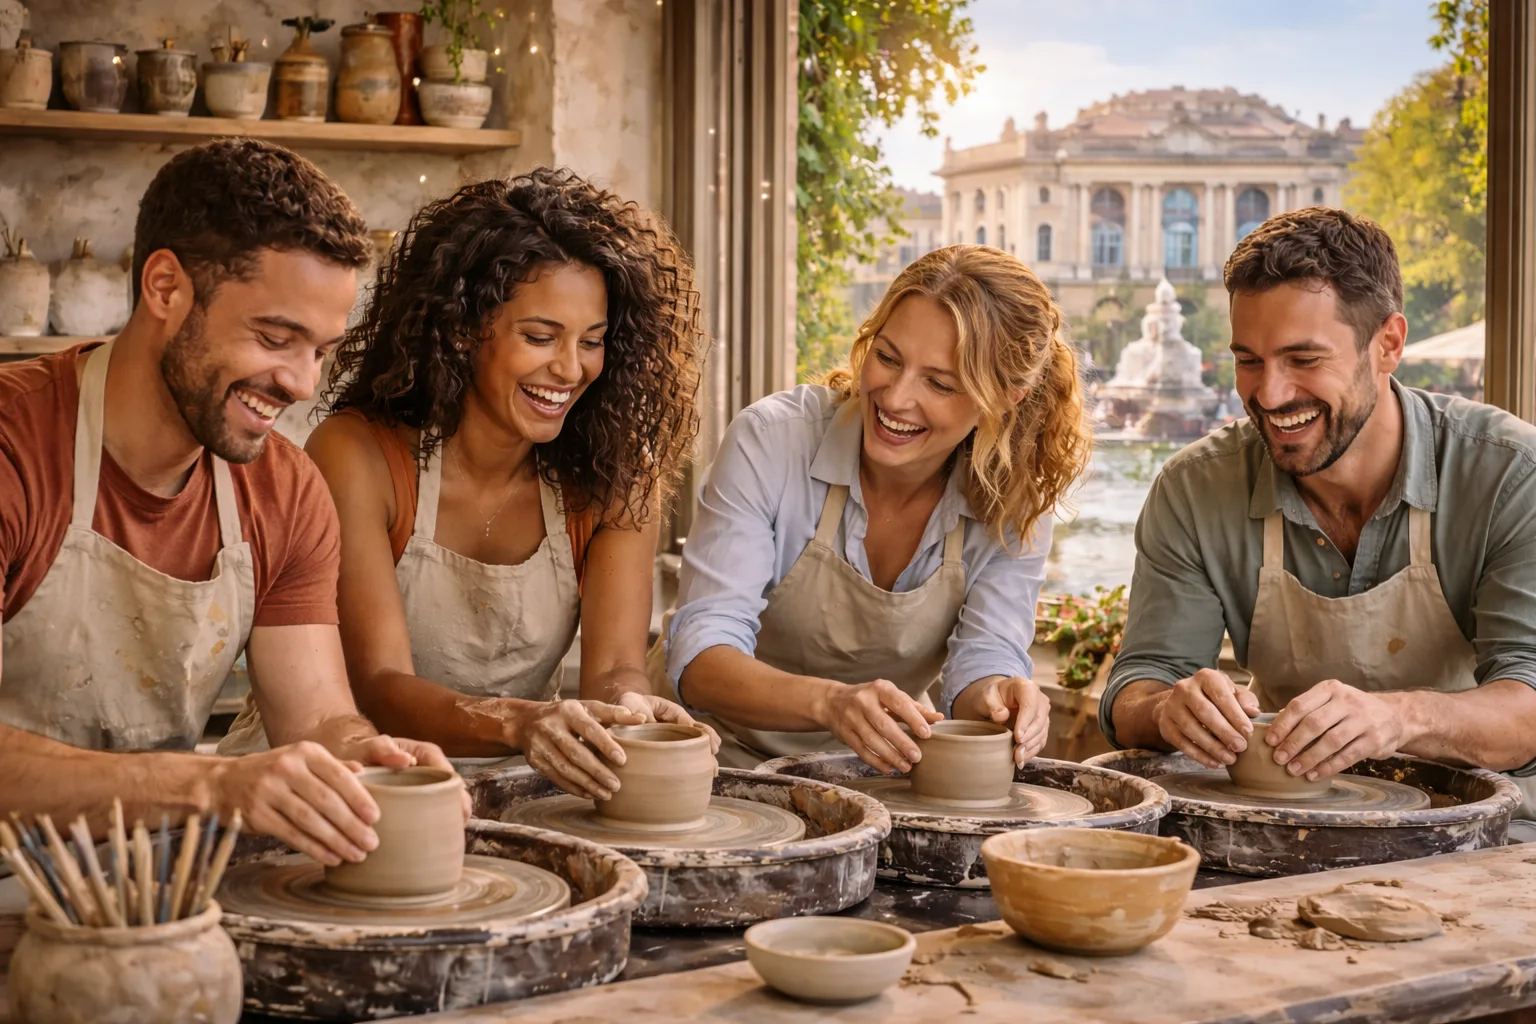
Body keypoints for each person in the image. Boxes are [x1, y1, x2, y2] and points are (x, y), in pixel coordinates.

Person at [0, 138, 458, 865]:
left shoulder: (284, 489)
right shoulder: (14, 447)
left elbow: (316, 718)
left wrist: (367, 758)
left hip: (141, 885)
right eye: (277, 338)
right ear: (165, 288)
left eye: (321, 350)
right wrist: (210, 785)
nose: (304, 383)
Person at [221, 169, 711, 801]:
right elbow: (378, 684)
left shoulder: (613, 473)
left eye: (593, 342)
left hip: (507, 788)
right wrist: (519, 720)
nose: (570, 368)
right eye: (540, 337)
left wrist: (633, 713)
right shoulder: (360, 456)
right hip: (328, 784)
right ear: (460, 328)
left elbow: (615, 668)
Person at [1103, 207, 1536, 809]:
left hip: (1484, 835)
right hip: (1284, 822)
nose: (1270, 394)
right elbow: (1137, 690)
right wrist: (1168, 710)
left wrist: (1398, 718)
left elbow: (1529, 706)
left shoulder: (1511, 474)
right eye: (1248, 359)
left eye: (1304, 360)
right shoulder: (1194, 488)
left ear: (1388, 344)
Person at [655, 245, 1090, 771]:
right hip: (702, 758)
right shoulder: (772, 440)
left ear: (1004, 398)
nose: (896, 398)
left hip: (871, 773)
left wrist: (1003, 696)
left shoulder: (1014, 499)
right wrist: (830, 703)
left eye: (940, 383)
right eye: (888, 358)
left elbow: (982, 660)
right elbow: (702, 650)